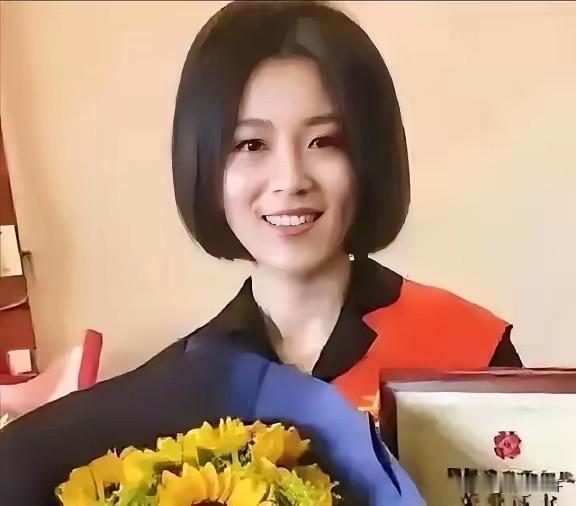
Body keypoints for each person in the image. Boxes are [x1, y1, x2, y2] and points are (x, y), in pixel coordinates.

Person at [0, 1, 519, 504]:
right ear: (206, 165)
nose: (290, 179)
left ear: (369, 156)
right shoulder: (179, 394)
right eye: (251, 145)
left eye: (324, 141)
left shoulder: (466, 350)